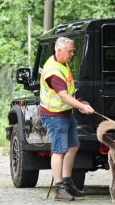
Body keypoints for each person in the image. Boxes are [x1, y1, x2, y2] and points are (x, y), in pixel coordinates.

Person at [40, 37, 94, 201]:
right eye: (69, 51)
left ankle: (67, 182)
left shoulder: (61, 61)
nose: (72, 54)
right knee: (59, 151)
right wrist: (82, 106)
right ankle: (59, 190)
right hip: (54, 115)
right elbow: (63, 96)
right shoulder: (54, 72)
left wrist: (76, 105)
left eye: (73, 51)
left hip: (66, 113)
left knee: (73, 147)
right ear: (59, 51)